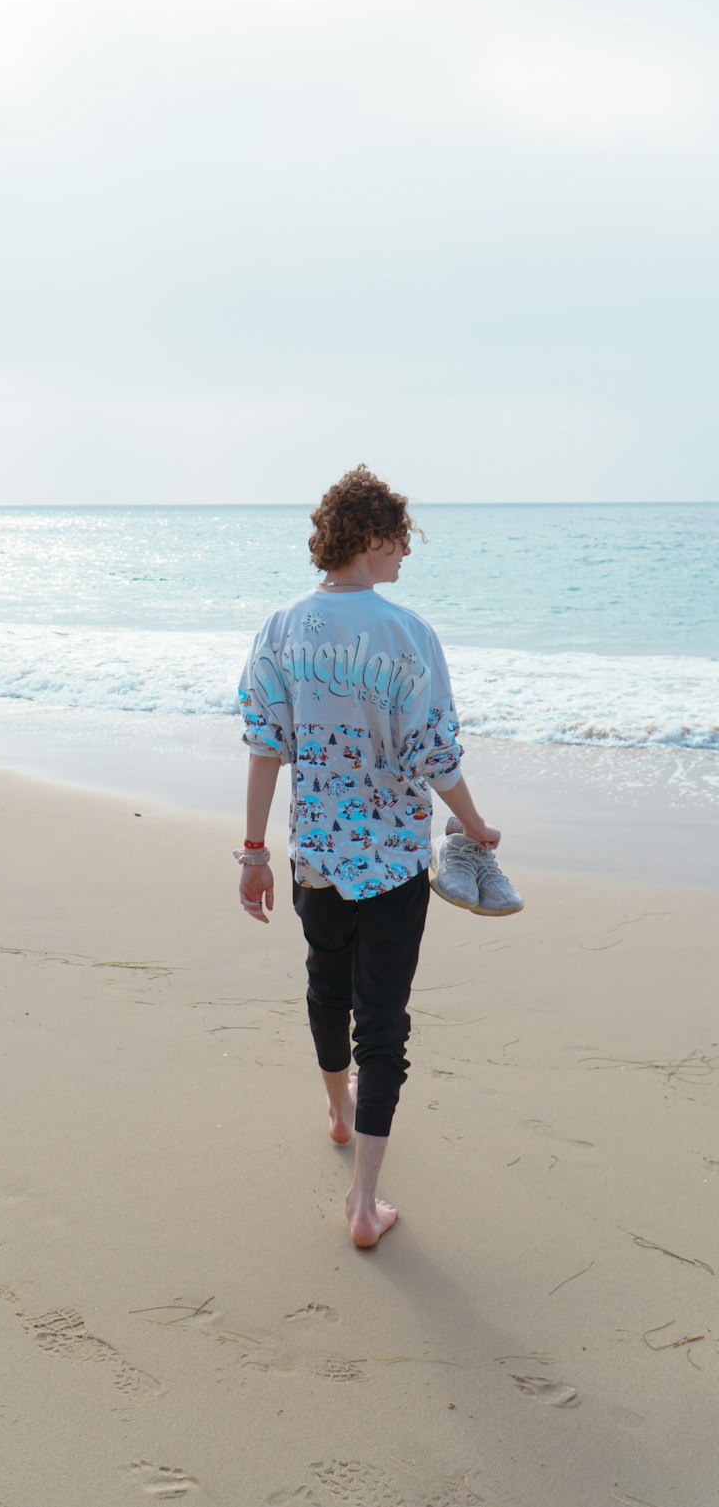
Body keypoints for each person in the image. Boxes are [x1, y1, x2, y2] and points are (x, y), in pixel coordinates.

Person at [236, 465, 500, 1248]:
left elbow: (263, 748)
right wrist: (477, 826)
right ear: (372, 538)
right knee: (383, 1024)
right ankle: (363, 1205)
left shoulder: (281, 628)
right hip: (390, 861)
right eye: (399, 543)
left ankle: (338, 1108)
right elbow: (435, 753)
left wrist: (252, 852)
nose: (403, 559)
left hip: (314, 853)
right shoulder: (408, 633)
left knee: (325, 981)